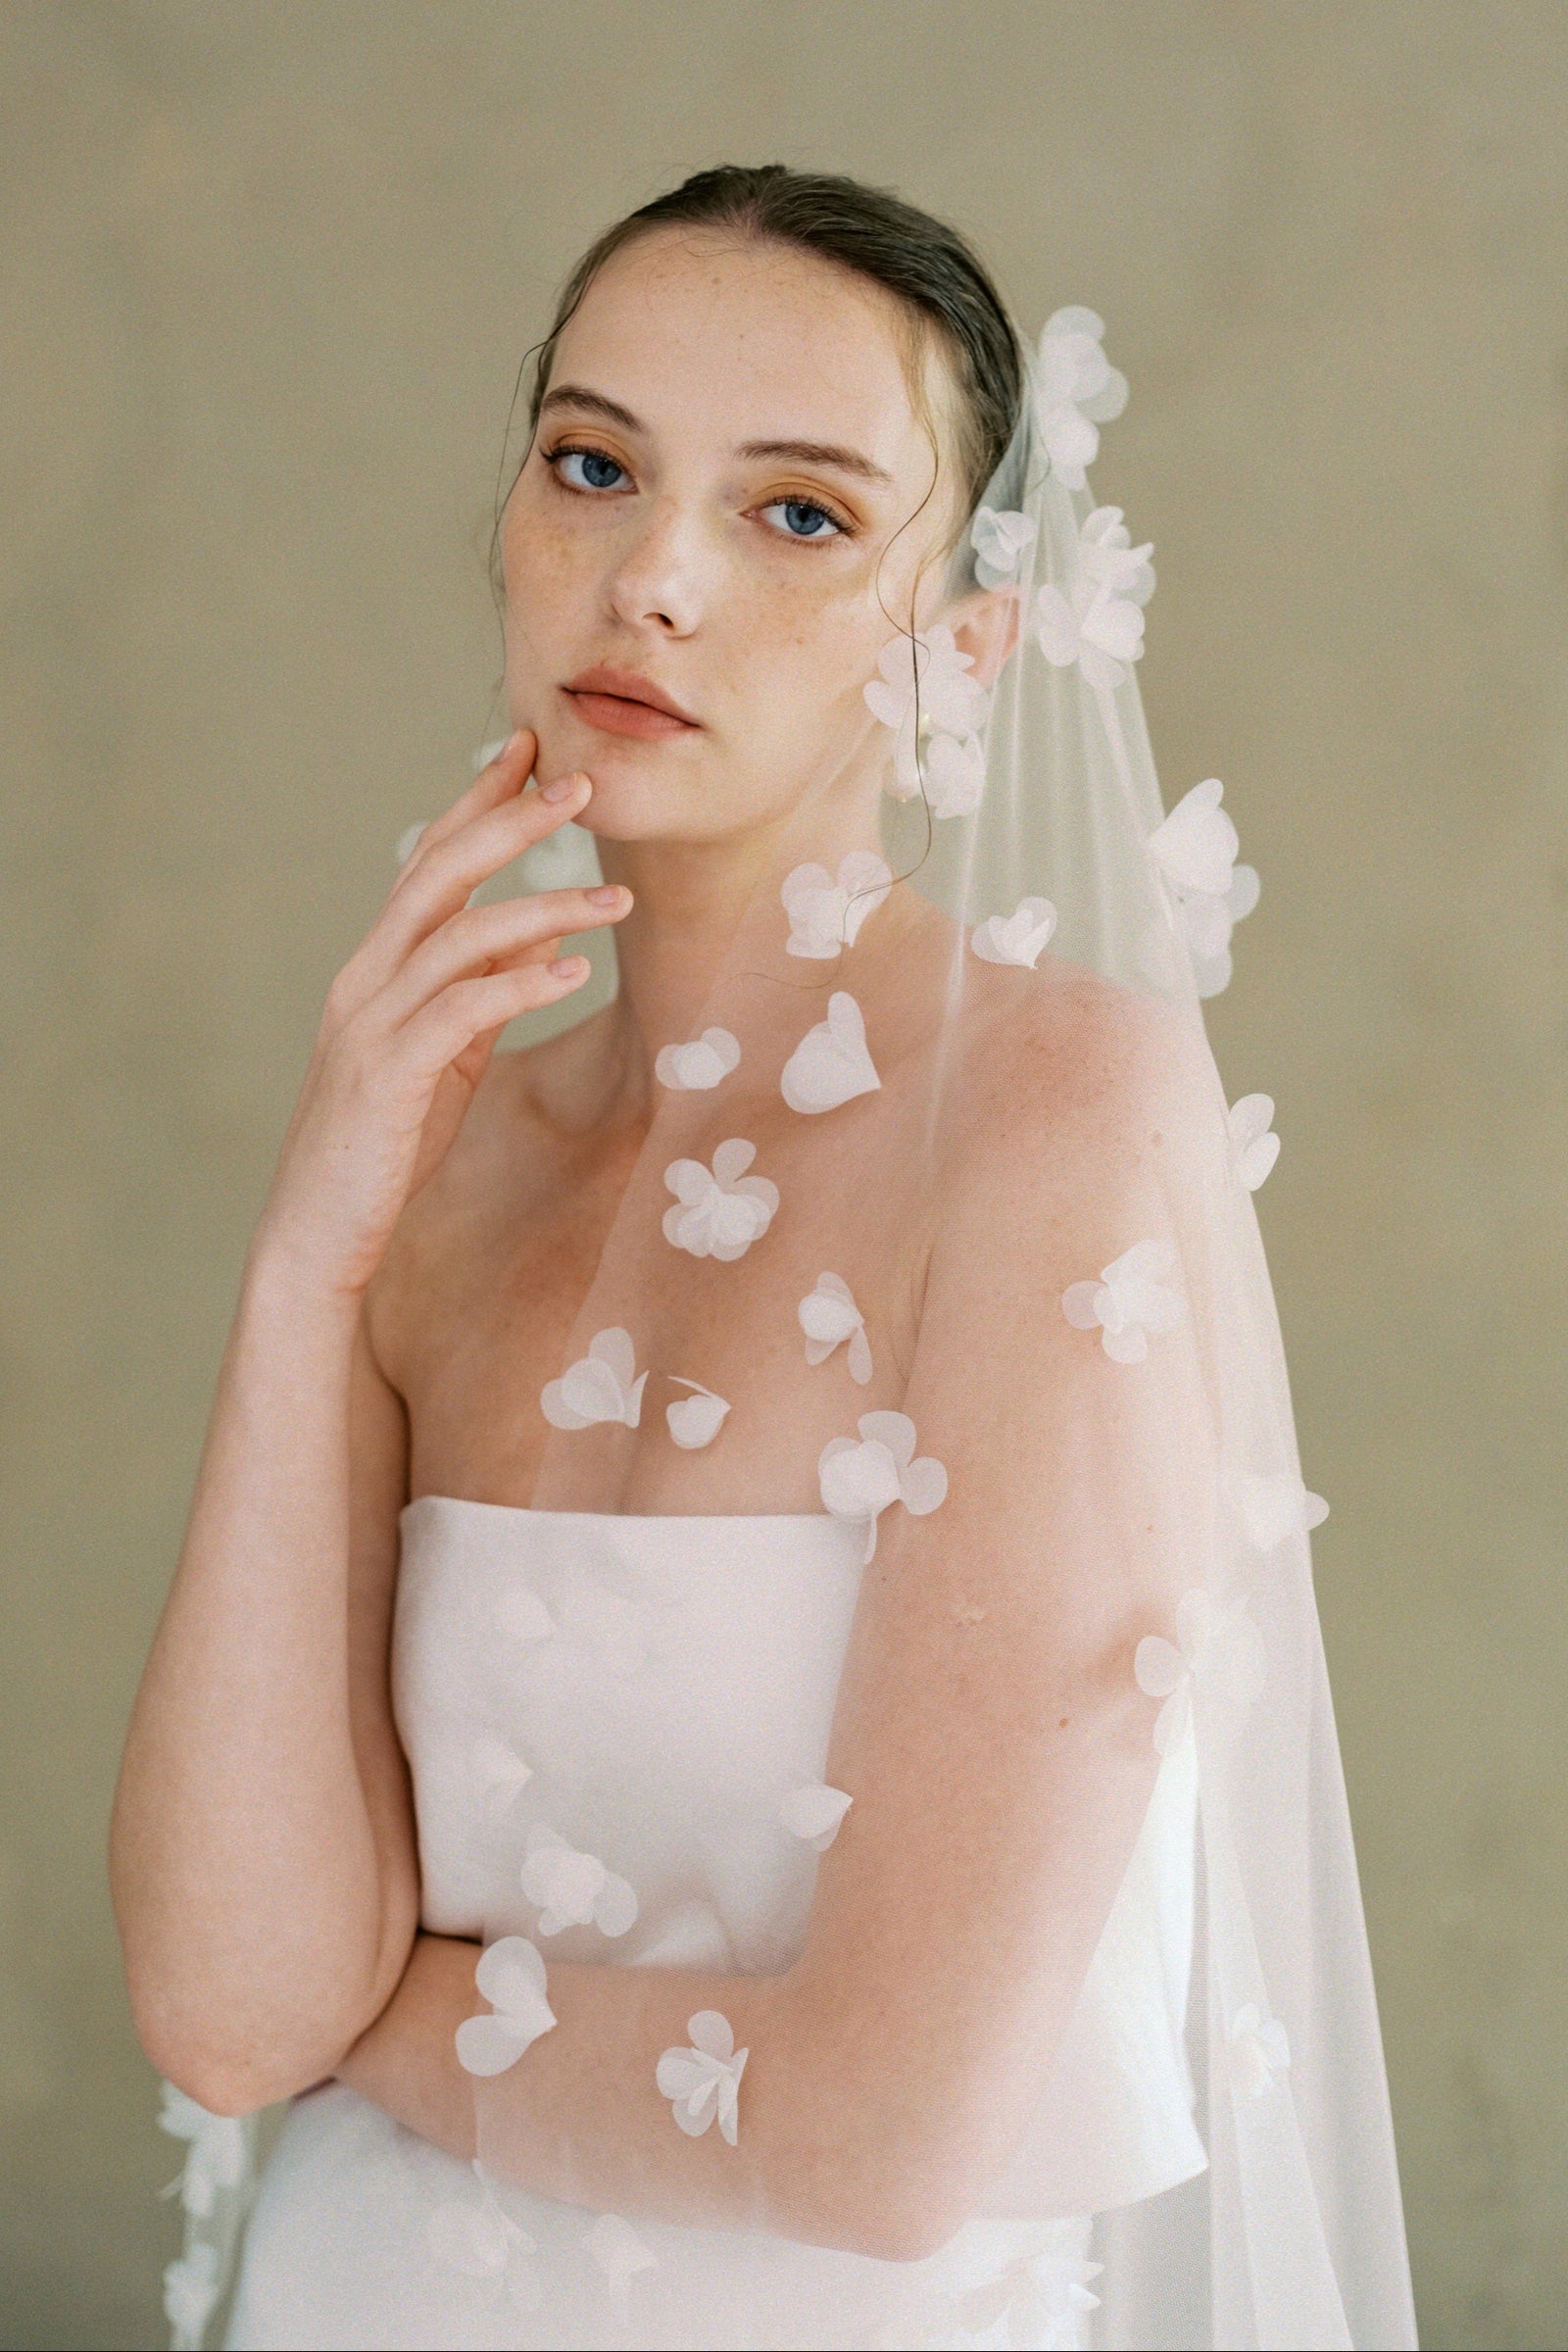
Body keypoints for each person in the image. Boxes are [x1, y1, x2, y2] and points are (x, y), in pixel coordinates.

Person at [111, 166, 1417, 2352]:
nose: (652, 580)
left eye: (797, 513)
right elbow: (230, 2012)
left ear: (964, 645)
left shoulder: (1056, 1122)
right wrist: (300, 1275)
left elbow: (877, 2142)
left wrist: (384, 2021)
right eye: (591, 465)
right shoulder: (435, 1160)